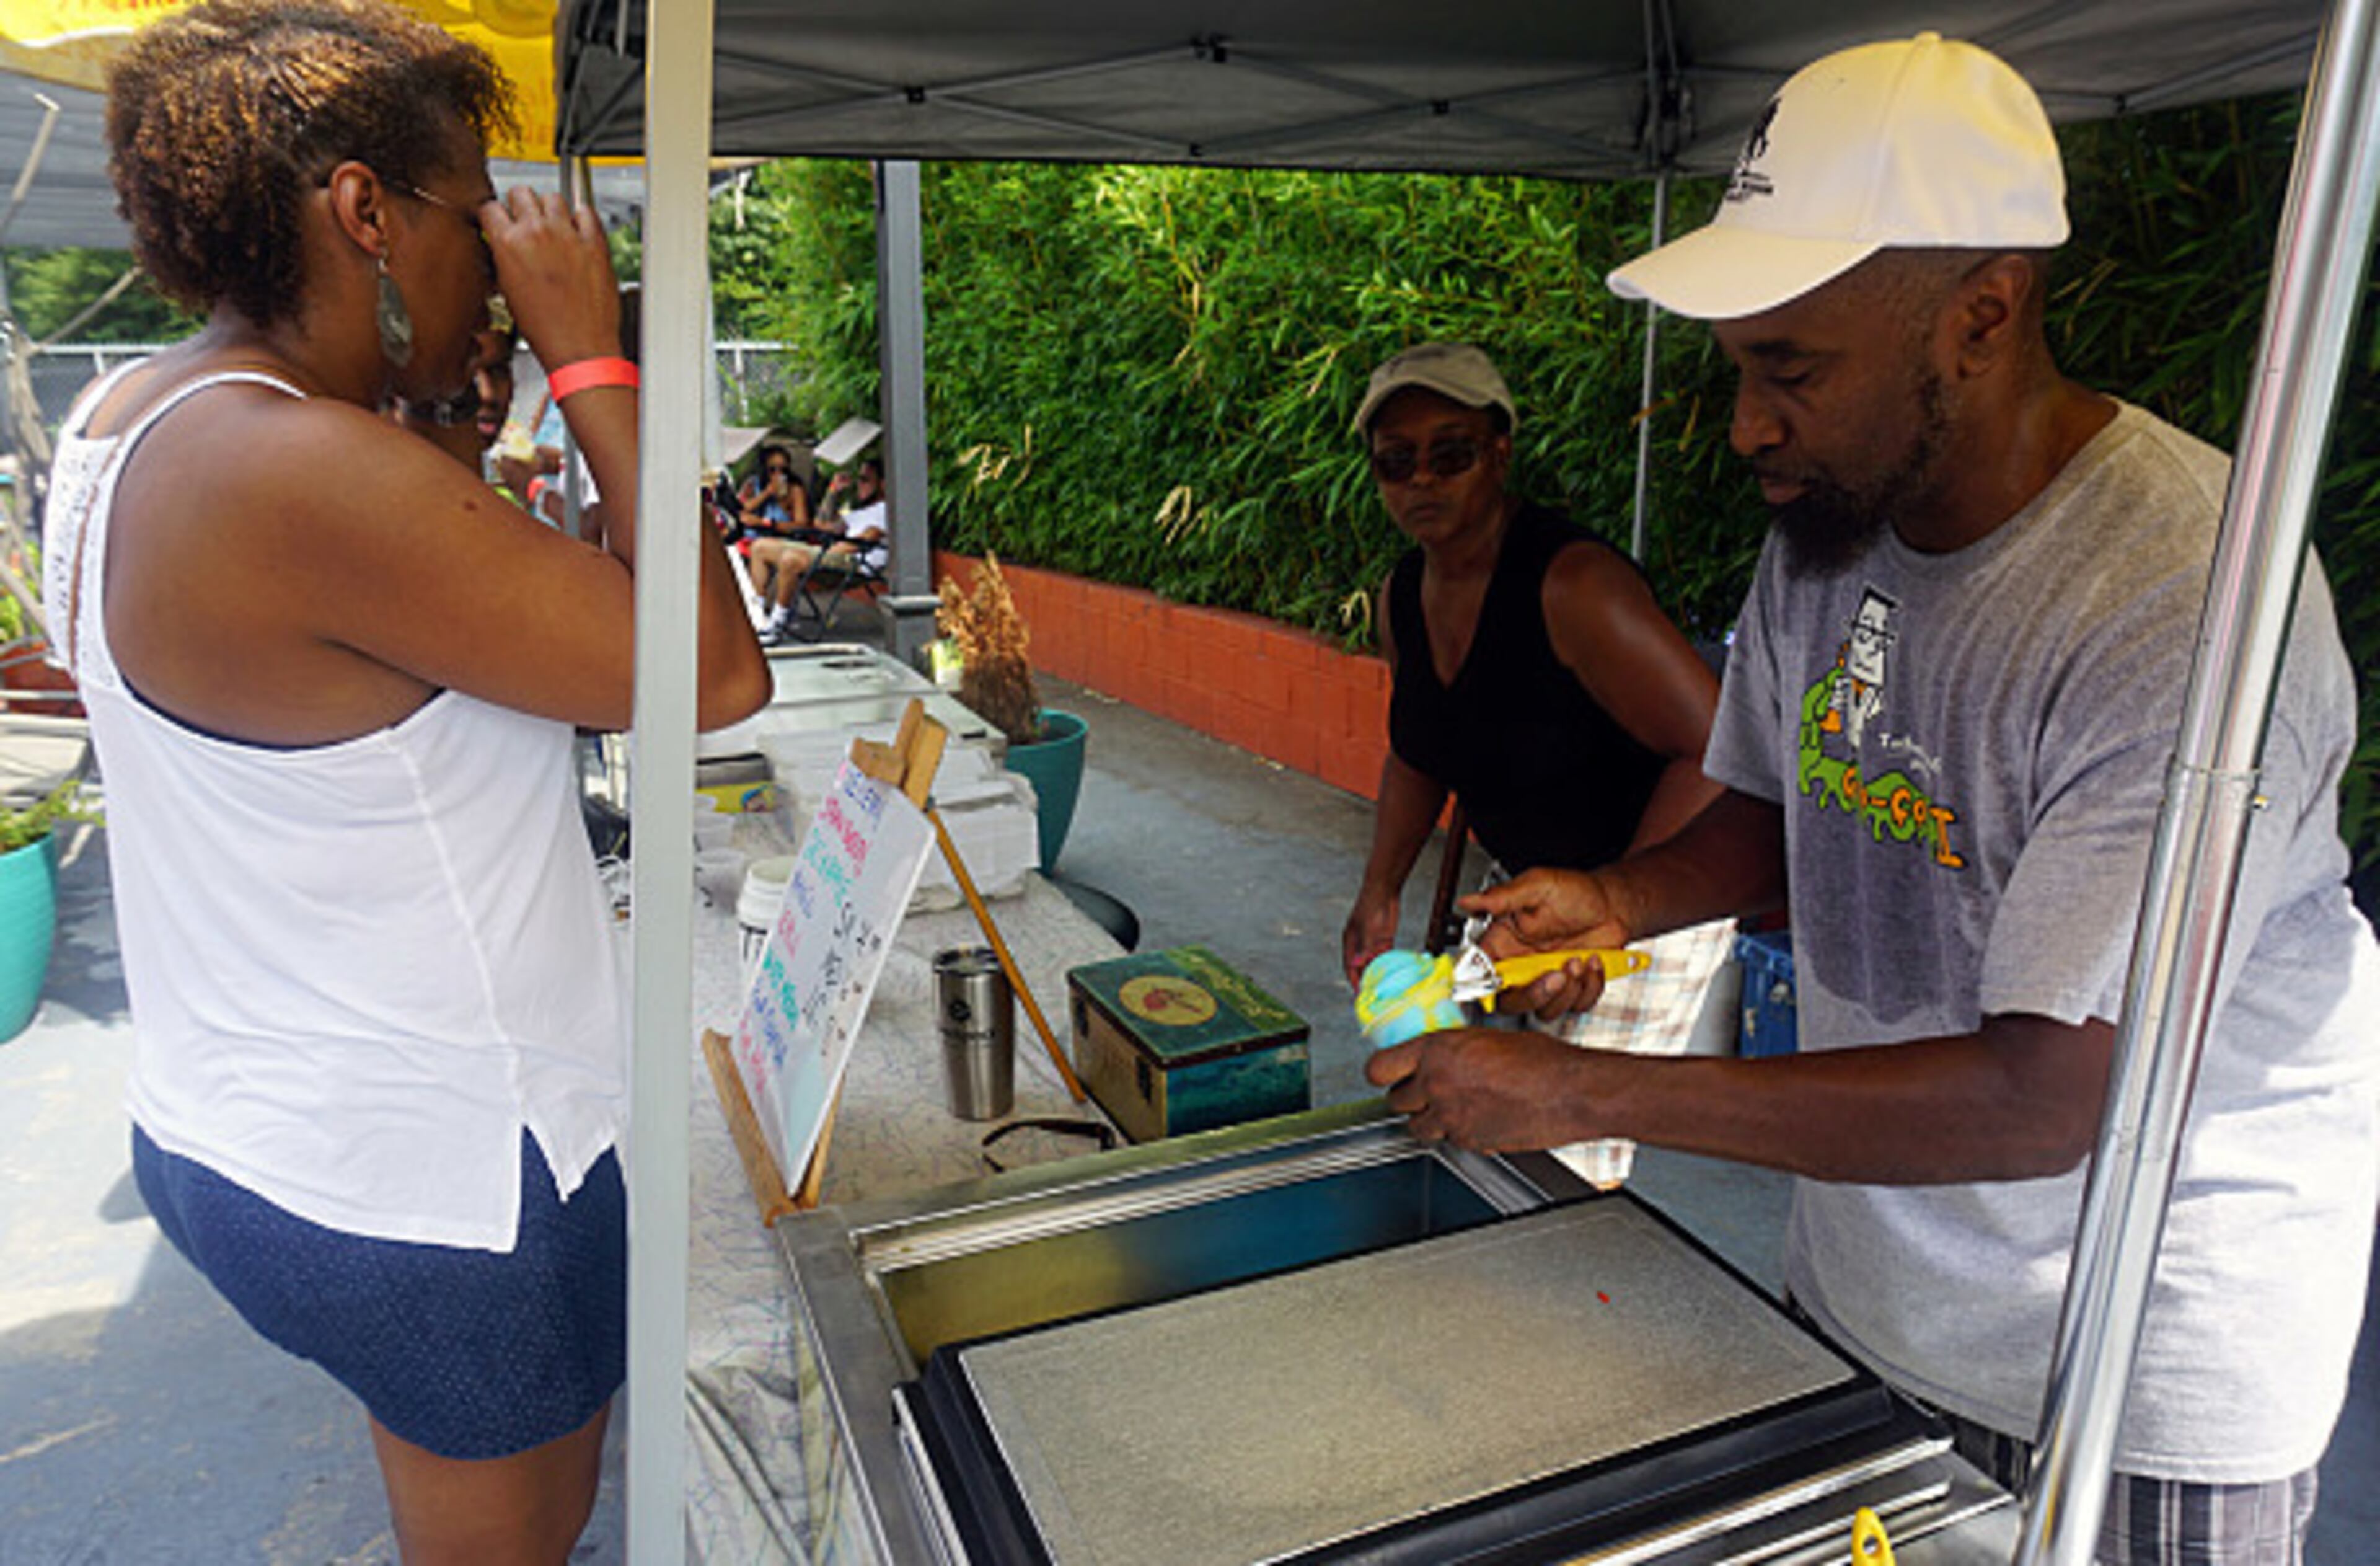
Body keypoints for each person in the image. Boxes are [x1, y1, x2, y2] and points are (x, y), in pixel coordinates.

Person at [1367, 33, 2378, 1562]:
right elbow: (1790, 807)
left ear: (1981, 314)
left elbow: (2044, 1092)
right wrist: (1622, 899)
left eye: (1792, 367)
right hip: (1869, 1285)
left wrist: (1577, 1090)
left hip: (2121, 1363)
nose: (1744, 425)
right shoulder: (1834, 531)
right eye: (1735, 368)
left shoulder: (2177, 599)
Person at [53, 2, 770, 1560]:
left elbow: (385, 648)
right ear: (366, 211)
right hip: (438, 1183)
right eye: (474, 216)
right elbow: (710, 670)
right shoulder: (300, 473)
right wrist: (590, 348)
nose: (498, 254)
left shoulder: (133, 418)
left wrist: (440, 396)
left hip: (247, 1123)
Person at [1341, 343, 1726, 1183]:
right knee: (1480, 1115)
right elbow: (1419, 750)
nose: (1423, 481)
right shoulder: (1402, 596)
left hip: (1650, 899)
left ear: (1501, 453)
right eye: (1397, 462)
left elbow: (1716, 746)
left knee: (1563, 1154)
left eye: (1451, 453)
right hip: (1533, 896)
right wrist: (1381, 886)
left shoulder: (1574, 585)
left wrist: (1618, 906)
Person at [755, 455, 888, 643]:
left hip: (855, 563)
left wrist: (823, 554)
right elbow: (822, 523)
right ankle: (757, 615)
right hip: (836, 555)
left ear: (882, 485)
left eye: (865, 480)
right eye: (859, 480)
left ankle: (776, 625)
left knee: (791, 559)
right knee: (760, 547)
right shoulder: (860, 513)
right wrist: (834, 491)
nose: (859, 484)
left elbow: (865, 540)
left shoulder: (886, 510)